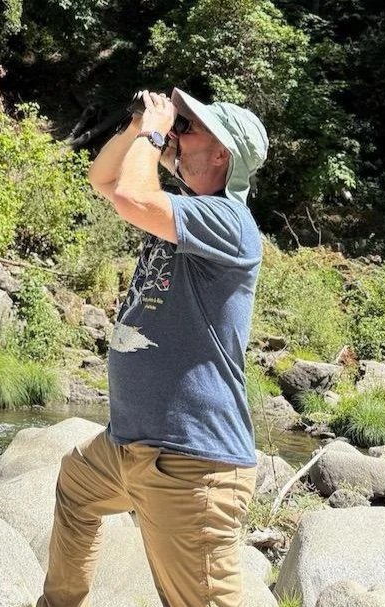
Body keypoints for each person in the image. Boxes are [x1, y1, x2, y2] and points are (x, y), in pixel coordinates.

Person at [37, 89, 269, 607]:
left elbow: (131, 197)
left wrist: (156, 134)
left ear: (222, 154)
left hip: (191, 464)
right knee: (76, 485)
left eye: (190, 128)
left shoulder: (230, 222)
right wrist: (137, 128)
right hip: (129, 447)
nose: (178, 134)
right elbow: (105, 180)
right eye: (179, 125)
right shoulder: (184, 212)